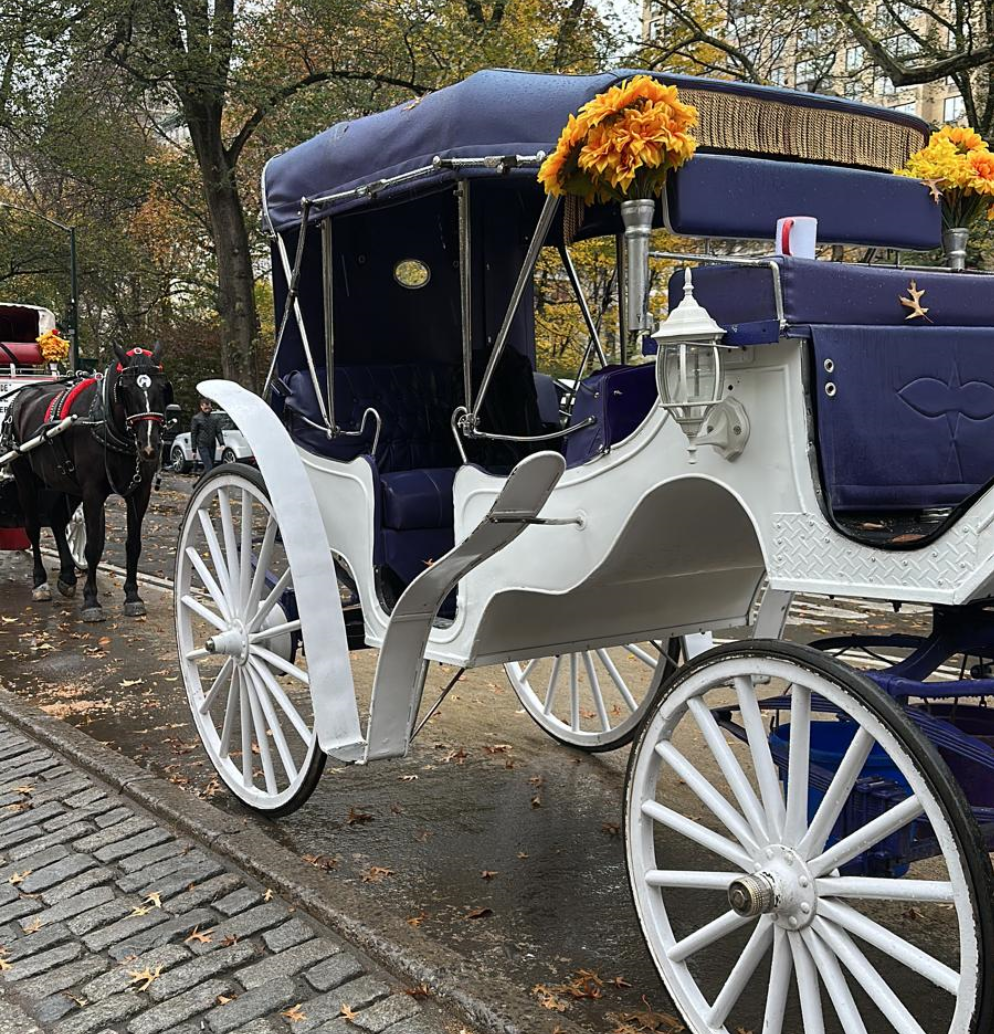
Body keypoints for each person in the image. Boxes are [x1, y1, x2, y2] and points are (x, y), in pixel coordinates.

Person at [190, 398, 223, 474]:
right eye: (205, 408)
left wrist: (222, 443)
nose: (207, 409)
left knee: (209, 466)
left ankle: (197, 484)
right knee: (209, 467)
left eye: (209, 407)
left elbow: (218, 431)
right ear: (201, 407)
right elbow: (193, 434)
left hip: (212, 445)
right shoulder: (196, 418)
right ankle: (211, 484)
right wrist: (193, 450)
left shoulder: (214, 418)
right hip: (202, 445)